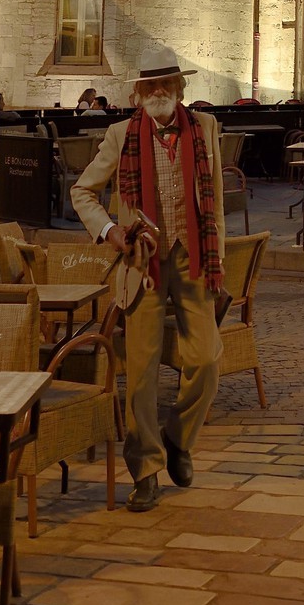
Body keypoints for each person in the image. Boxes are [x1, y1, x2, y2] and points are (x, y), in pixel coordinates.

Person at [71, 46, 224, 514]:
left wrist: (217, 257)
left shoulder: (205, 127)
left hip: (193, 259)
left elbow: (215, 197)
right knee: (140, 375)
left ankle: (178, 438)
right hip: (141, 266)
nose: (159, 92)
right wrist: (110, 231)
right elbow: (82, 191)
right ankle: (145, 471)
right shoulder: (121, 135)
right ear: (138, 93)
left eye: (166, 84)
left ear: (179, 88)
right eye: (150, 85)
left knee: (207, 359)